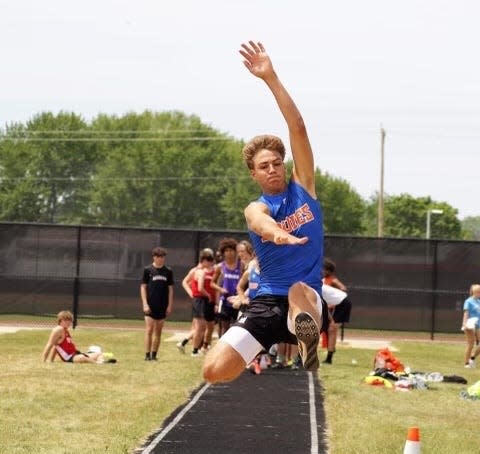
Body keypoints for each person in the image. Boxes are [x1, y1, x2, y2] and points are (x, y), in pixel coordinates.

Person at [203, 41, 327, 384]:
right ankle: (262, 345)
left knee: (297, 290)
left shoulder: (304, 188)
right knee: (213, 371)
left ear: (284, 166)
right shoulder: (255, 207)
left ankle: (306, 341)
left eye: (276, 163)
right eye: (264, 166)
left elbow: (298, 126)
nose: (272, 168)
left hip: (306, 300)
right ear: (254, 174)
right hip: (265, 304)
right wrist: (278, 234)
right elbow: (260, 222)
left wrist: (270, 77)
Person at [42, 310, 116, 363]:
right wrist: (44, 361)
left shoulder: (65, 330)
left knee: (99, 354)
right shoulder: (58, 329)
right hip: (70, 358)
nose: (69, 322)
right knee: (82, 357)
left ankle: (101, 361)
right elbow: (50, 344)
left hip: (76, 354)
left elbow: (56, 346)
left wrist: (51, 360)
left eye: (70, 320)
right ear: (60, 320)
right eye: (66, 320)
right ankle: (98, 363)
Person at [181, 248, 216, 356]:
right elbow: (197, 287)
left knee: (202, 326)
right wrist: (206, 294)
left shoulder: (197, 270)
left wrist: (191, 293)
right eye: (209, 260)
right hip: (201, 300)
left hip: (200, 300)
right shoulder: (200, 271)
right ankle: (195, 350)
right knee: (200, 327)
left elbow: (185, 282)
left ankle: (195, 347)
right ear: (204, 260)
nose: (210, 263)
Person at [141, 246, 174, 361]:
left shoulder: (168, 271)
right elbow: (143, 287)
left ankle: (154, 355)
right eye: (158, 257)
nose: (160, 259)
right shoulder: (148, 270)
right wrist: (145, 303)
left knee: (158, 331)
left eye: (162, 257)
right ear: (154, 257)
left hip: (162, 305)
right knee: (149, 330)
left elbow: (170, 289)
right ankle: (147, 355)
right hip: (150, 305)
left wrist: (169, 305)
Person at [211, 237, 244, 337]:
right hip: (225, 301)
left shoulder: (241, 265)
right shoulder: (220, 267)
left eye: (231, 250)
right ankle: (221, 346)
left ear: (235, 251)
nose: (229, 253)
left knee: (236, 326)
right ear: (223, 252)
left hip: (237, 301)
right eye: (227, 251)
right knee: (224, 326)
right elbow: (212, 283)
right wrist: (221, 289)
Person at [322, 258, 352, 364]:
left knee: (332, 329)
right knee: (329, 329)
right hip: (332, 306)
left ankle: (329, 356)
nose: (323, 271)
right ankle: (330, 352)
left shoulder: (332, 280)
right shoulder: (322, 281)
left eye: (325, 270)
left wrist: (336, 298)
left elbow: (343, 288)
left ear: (329, 271)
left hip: (341, 303)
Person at [462, 283, 480, 368]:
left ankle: (472, 358)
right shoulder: (468, 301)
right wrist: (465, 324)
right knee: (471, 344)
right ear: (474, 292)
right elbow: (466, 313)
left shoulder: (479, 301)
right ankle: (466, 363)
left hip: (478, 326)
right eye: (478, 292)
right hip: (469, 325)